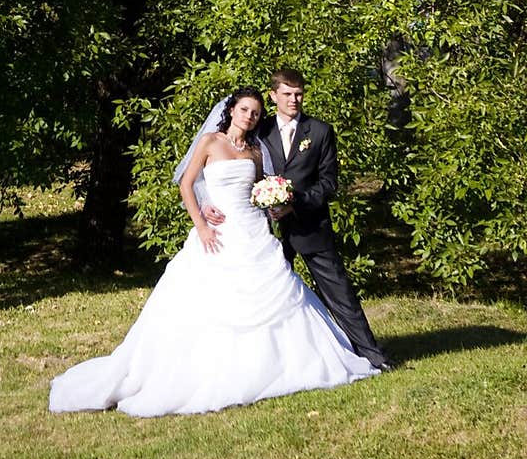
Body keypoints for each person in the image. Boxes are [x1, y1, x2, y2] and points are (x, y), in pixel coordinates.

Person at [49, 87, 380, 417]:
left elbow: (259, 189)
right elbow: (186, 183)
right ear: (232, 110)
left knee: (279, 293)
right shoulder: (210, 142)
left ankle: (276, 367)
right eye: (244, 110)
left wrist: (273, 204)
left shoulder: (255, 151)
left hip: (253, 231)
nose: (249, 117)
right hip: (219, 233)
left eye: (255, 113)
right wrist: (203, 221)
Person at [198, 67, 393, 372]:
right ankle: (274, 363)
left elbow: (328, 183)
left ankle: (373, 355)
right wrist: (207, 202)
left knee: (339, 292)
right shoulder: (257, 129)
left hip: (309, 224)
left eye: (299, 94)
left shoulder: (320, 132)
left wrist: (294, 204)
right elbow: (218, 169)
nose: (294, 99)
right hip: (260, 233)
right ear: (273, 95)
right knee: (266, 298)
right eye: (287, 94)